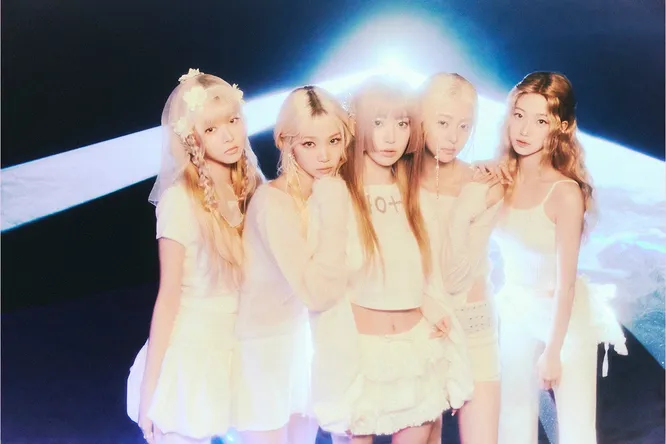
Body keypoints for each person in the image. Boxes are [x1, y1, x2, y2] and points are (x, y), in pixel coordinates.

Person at [126, 69, 263, 444]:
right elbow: (169, 295)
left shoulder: (254, 187)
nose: (229, 135)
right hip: (192, 355)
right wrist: (150, 391)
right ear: (191, 138)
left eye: (233, 121)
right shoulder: (179, 200)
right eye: (211, 129)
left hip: (243, 348)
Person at [492, 72, 627, 444]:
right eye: (519, 115)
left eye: (540, 121)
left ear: (562, 127)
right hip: (516, 308)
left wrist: (553, 351)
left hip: (564, 316)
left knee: (576, 427)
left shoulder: (565, 193)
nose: (524, 129)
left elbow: (566, 283)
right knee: (512, 416)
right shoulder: (500, 178)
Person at [234, 85, 352, 444]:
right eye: (309, 144)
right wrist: (333, 206)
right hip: (263, 347)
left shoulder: (329, 191)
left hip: (305, 341)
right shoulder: (273, 203)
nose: (325, 156)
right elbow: (315, 292)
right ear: (285, 142)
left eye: (334, 141)